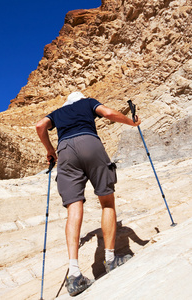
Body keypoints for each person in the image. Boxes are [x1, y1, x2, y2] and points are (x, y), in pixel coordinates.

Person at [35, 91, 141, 297]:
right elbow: (108, 113)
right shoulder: (88, 103)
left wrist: (50, 150)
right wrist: (131, 122)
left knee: (74, 207)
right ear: (82, 100)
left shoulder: (58, 112)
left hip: (65, 151)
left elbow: (40, 126)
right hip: (89, 143)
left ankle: (74, 275)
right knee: (107, 202)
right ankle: (110, 260)